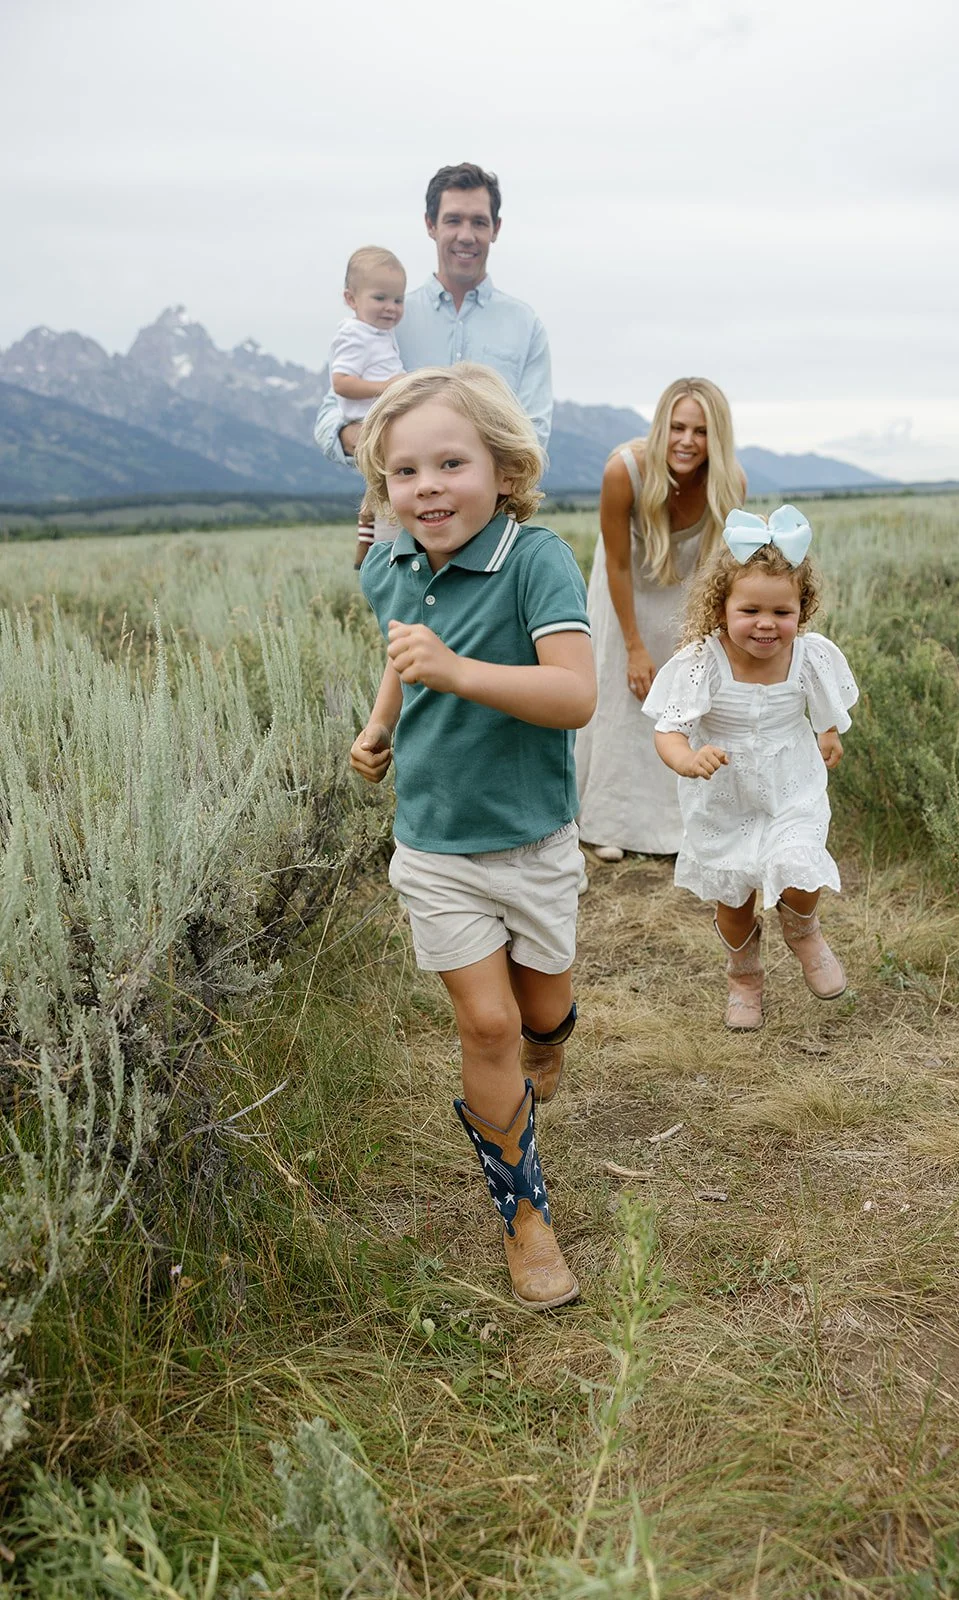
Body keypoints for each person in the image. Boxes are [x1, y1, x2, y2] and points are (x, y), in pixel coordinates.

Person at [348, 362, 595, 1310]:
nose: (427, 487)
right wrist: (380, 725)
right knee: (484, 1024)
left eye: (450, 462)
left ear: (502, 465)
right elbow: (405, 656)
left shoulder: (536, 560)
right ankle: (524, 1217)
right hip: (436, 844)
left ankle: (553, 1037)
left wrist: (456, 671)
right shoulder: (389, 561)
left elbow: (572, 696)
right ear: (385, 487)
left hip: (532, 843)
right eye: (404, 472)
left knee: (541, 1013)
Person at [644, 507, 859, 1031]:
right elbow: (667, 730)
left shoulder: (809, 656)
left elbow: (825, 704)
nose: (766, 624)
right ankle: (744, 975)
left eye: (782, 612)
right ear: (721, 608)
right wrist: (688, 759)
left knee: (801, 861)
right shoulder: (702, 660)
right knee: (734, 896)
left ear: (802, 610)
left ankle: (803, 929)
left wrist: (827, 733)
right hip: (723, 795)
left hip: (791, 784)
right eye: (751, 610)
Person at [575, 378, 746, 863]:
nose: (687, 441)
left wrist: (696, 637)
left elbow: (720, 568)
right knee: (621, 696)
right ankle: (608, 822)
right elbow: (617, 564)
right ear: (660, 428)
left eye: (700, 430)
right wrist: (633, 644)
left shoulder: (731, 481)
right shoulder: (623, 472)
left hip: (686, 595)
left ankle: (674, 825)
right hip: (624, 591)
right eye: (676, 427)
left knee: (681, 702)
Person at [314, 161, 552, 470]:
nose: (466, 236)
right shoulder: (387, 318)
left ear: (496, 229)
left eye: (479, 222)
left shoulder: (525, 326)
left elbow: (534, 433)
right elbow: (330, 416)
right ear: (430, 225)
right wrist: (362, 438)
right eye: (453, 220)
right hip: (403, 510)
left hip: (495, 511)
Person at [327, 246, 408, 556]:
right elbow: (341, 383)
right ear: (351, 299)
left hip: (383, 419)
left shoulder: (378, 333)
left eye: (398, 300)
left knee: (383, 482)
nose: (391, 308)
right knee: (386, 483)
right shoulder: (354, 335)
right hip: (369, 423)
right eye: (380, 298)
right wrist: (385, 386)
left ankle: (367, 534)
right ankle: (368, 540)